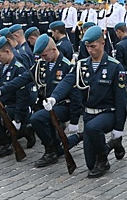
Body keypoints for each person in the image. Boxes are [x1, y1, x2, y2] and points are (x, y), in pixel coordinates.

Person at [44, 26, 127, 178]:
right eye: (87, 46)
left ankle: (103, 160)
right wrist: (54, 97)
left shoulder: (115, 66)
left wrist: (119, 128)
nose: (90, 50)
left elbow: (121, 100)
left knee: (93, 128)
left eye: (93, 46)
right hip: (89, 114)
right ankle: (111, 145)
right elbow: (67, 81)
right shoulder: (81, 65)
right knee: (90, 163)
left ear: (102, 43)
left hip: (108, 113)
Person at [30, 35, 83, 167]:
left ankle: (50, 151)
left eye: (44, 55)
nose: (43, 58)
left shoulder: (68, 67)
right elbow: (25, 77)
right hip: (49, 106)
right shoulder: (42, 65)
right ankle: (71, 140)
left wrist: (74, 121)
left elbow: (76, 96)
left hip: (64, 106)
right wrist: (1, 90)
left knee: (37, 118)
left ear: (54, 50)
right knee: (61, 147)